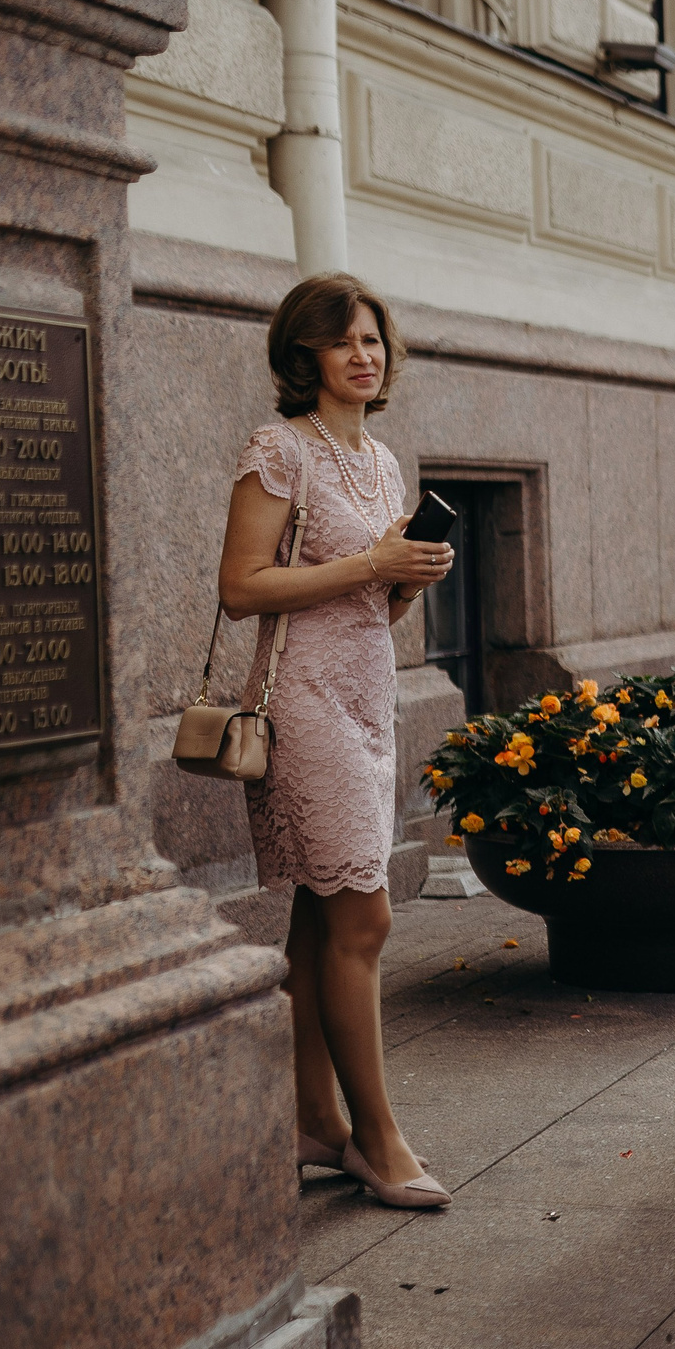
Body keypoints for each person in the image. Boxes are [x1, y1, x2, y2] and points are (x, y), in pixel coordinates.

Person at [217, 273, 455, 1210]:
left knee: (320, 914)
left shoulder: (385, 462)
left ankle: (313, 1120)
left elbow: (374, 600)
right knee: (365, 915)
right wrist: (371, 562)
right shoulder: (279, 450)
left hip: (367, 691)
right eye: (344, 340)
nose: (365, 354)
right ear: (304, 354)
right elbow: (240, 587)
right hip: (303, 698)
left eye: (374, 340)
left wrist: (407, 577)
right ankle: (378, 1140)